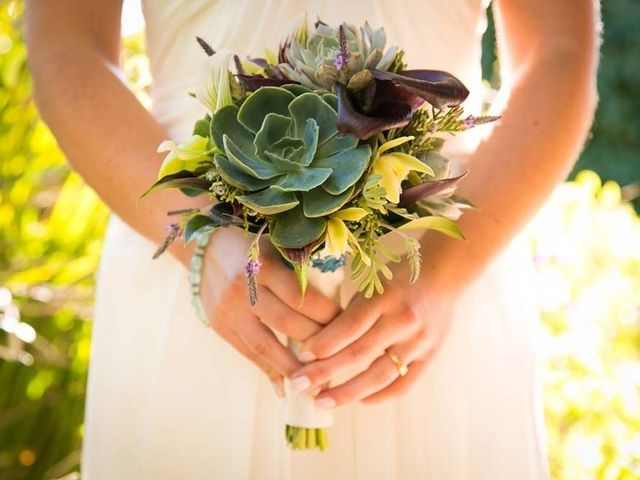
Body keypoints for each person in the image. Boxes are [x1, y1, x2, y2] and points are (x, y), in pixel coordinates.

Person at [26, 0, 599, 478]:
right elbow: (66, 48)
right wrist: (199, 243)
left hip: (433, 286)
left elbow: (560, 50)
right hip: (192, 274)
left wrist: (447, 272)